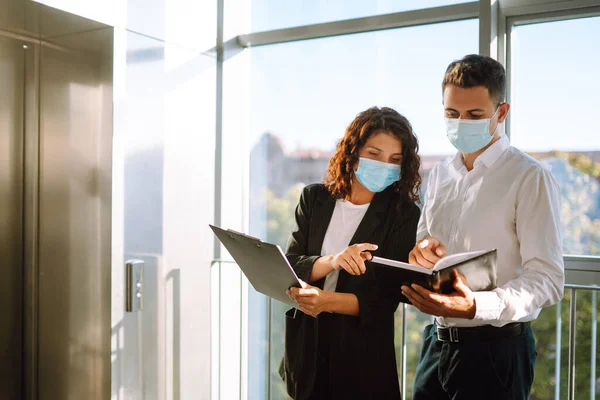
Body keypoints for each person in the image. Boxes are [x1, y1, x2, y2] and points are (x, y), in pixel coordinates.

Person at [401, 55, 564, 399]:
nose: (461, 123)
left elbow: (547, 281)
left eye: (474, 115)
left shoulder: (529, 177)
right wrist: (422, 254)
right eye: (452, 114)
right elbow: (422, 247)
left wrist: (475, 306)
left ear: (501, 112)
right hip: (437, 343)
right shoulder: (440, 175)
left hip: (497, 350)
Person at [280, 106, 421, 399]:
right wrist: (332, 261)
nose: (385, 165)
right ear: (353, 151)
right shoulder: (314, 198)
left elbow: (384, 301)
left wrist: (325, 301)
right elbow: (292, 263)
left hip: (362, 358)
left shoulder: (403, 215)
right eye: (374, 154)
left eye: (395, 160)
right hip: (308, 350)